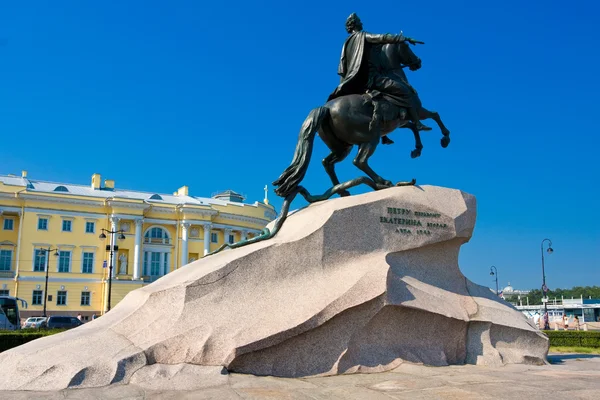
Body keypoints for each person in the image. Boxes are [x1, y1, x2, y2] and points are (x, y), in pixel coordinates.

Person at [328, 13, 432, 137]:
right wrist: (402, 39)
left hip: (354, 82)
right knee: (404, 90)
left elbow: (343, 68)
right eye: (360, 21)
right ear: (355, 24)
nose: (362, 23)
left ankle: (385, 132)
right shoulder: (362, 36)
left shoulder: (346, 43)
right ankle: (417, 122)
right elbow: (382, 38)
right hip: (371, 79)